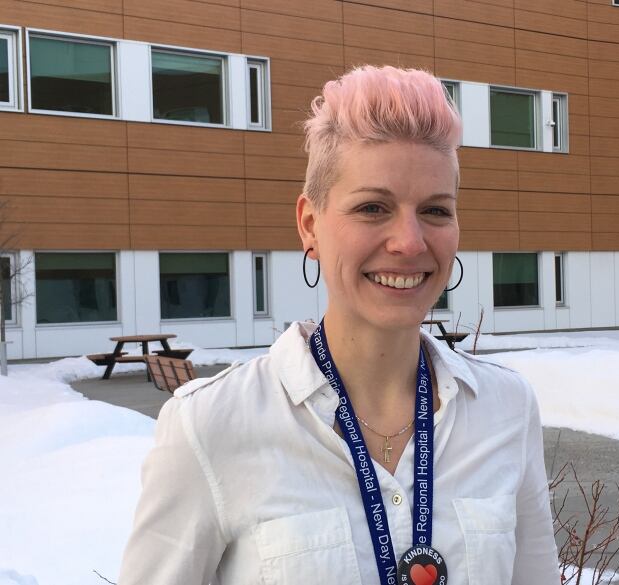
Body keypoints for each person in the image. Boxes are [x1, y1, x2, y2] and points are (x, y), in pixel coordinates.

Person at [118, 65, 560, 585]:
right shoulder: (213, 425)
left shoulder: (506, 410)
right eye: (373, 207)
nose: (411, 242)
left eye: (436, 211)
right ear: (310, 224)